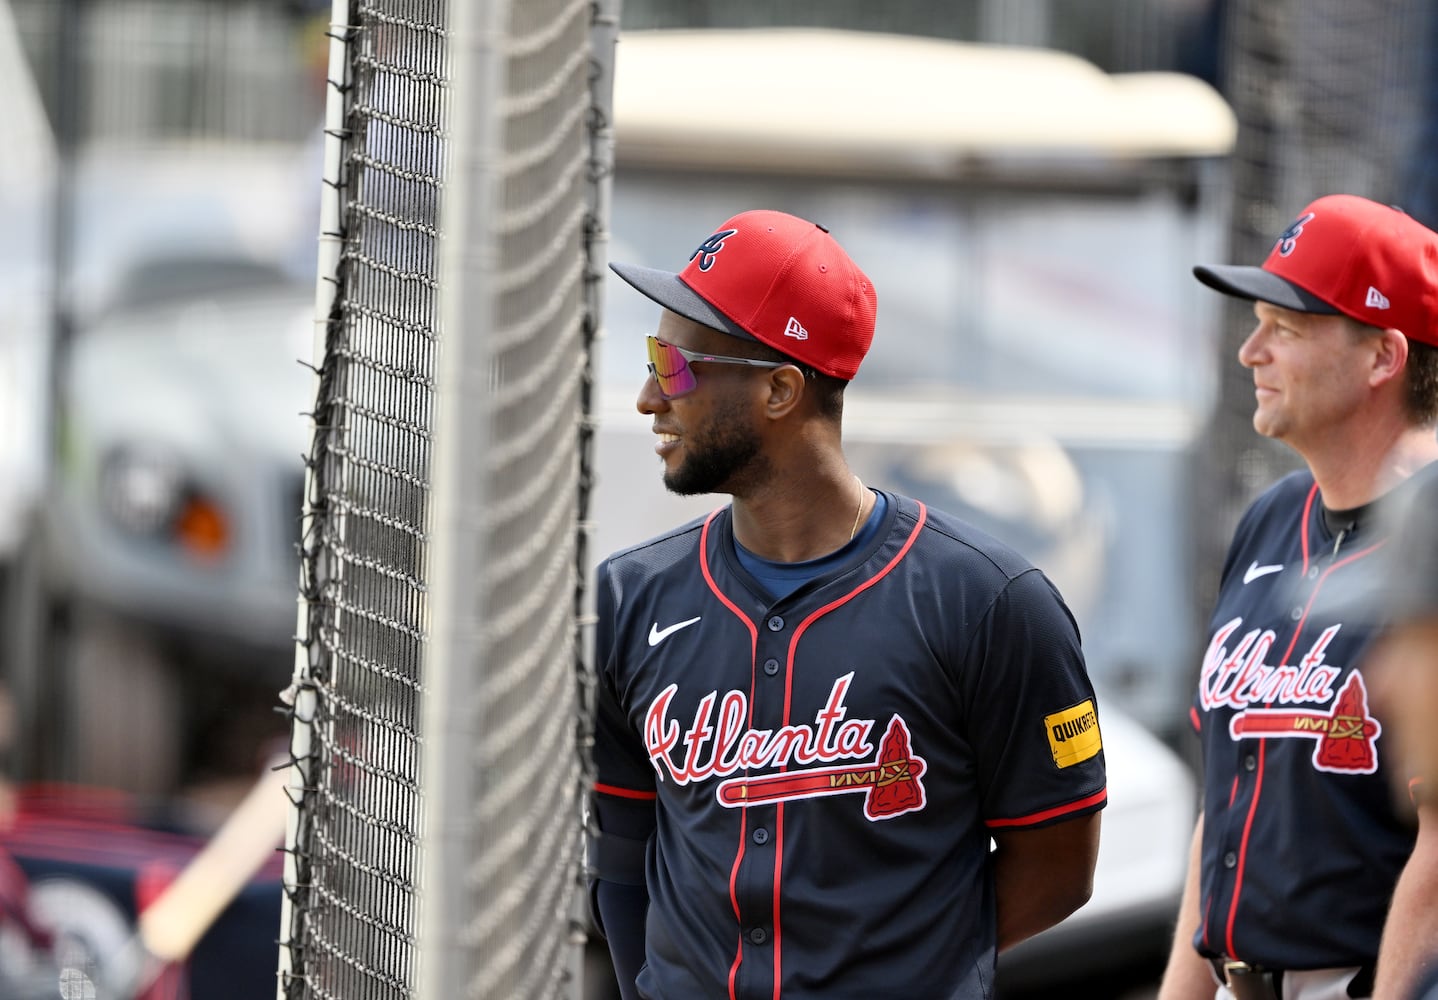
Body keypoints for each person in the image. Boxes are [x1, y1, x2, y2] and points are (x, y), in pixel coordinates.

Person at [587, 209, 1106, 1000]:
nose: (649, 397)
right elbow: (623, 860)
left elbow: (1060, 866)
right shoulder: (628, 598)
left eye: (676, 363)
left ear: (780, 389)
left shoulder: (992, 602)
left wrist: (911, 964)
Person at [1156, 194, 1438, 1000]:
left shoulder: (1435, 537)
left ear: (1383, 357)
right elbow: (1225, 791)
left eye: (1286, 328)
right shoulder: (1273, 517)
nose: (1250, 352)